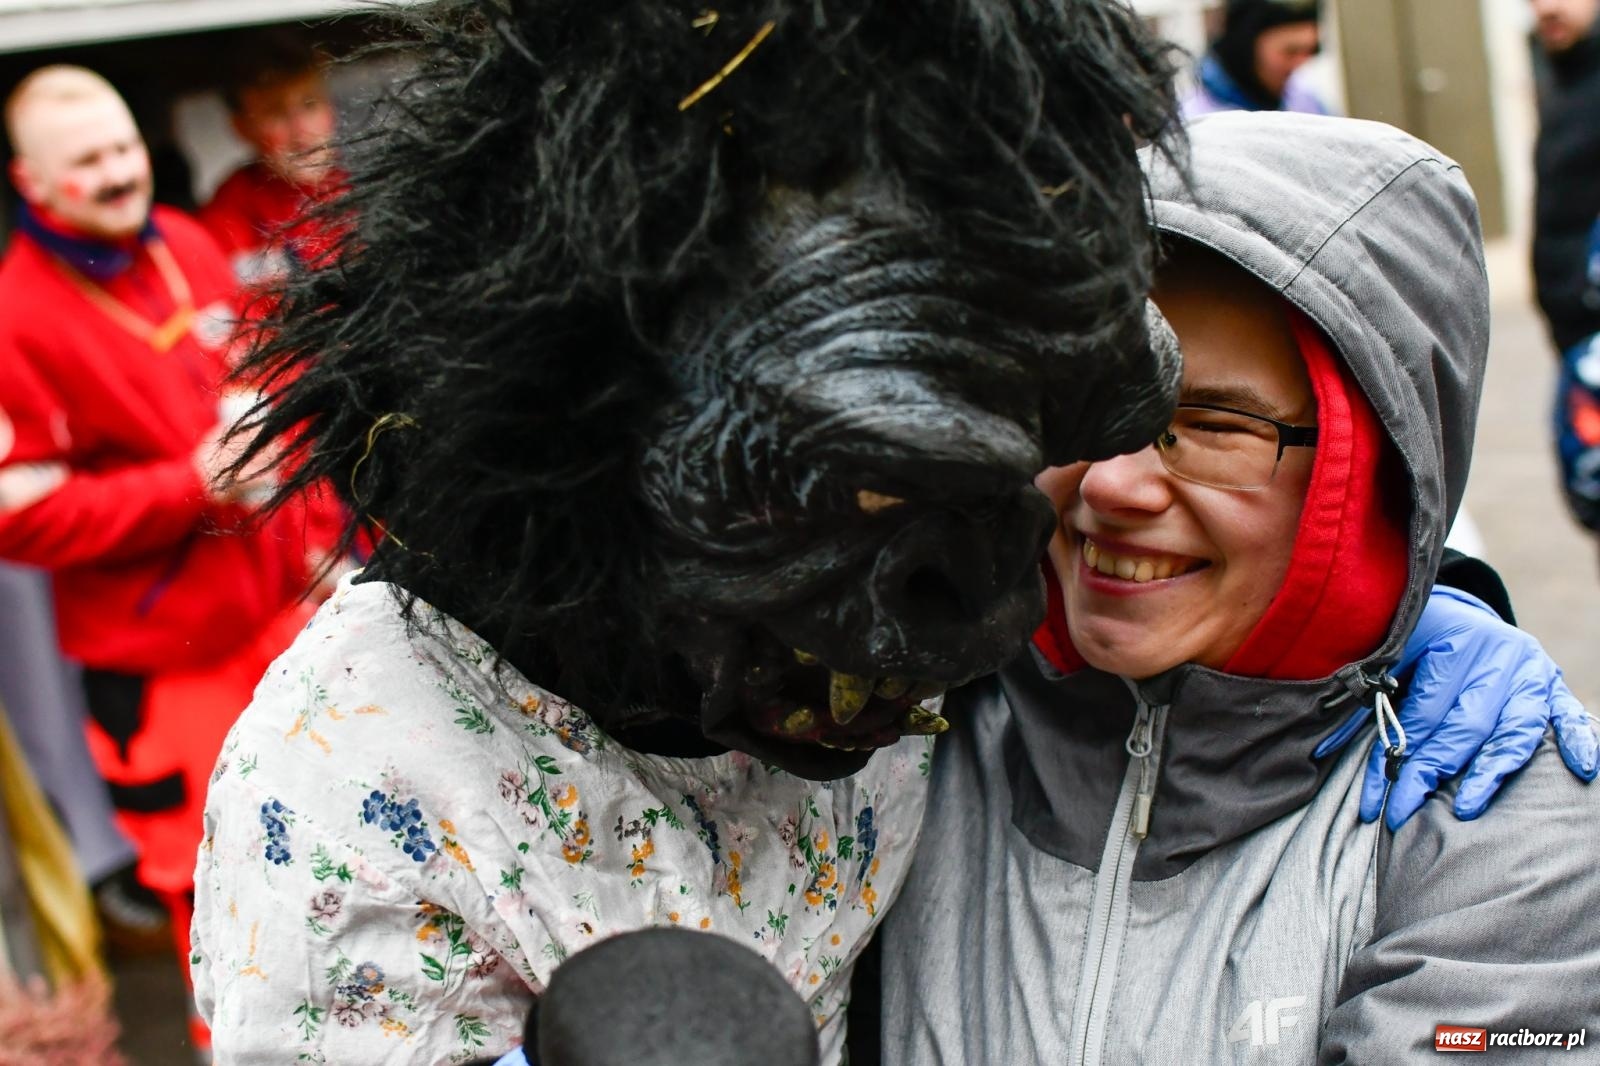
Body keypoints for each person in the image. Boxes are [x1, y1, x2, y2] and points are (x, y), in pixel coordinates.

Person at [877, 111, 1600, 1062]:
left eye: (1215, 425)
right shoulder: (898, 710)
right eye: (1087, 403)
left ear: (1374, 466)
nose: (1109, 482)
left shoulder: (1496, 808)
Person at [0, 64, 320, 976]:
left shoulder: (185, 238)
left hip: (279, 622)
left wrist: (322, 546)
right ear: (32, 182)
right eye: (87, 161)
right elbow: (20, 520)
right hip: (164, 672)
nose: (116, 173)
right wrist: (191, 484)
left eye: (124, 148)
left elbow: (264, 395)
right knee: (225, 910)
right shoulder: (15, 315)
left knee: (337, 855)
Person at [198, 31, 344, 290]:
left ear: (330, 107)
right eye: (276, 113)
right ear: (242, 128)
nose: (302, 132)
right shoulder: (228, 219)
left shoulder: (364, 184)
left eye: (310, 104)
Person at [1180, 0, 1328, 120]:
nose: (1301, 64)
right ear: (1246, 48)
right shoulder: (1195, 121)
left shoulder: (1306, 104)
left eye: (1312, 51)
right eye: (1290, 52)